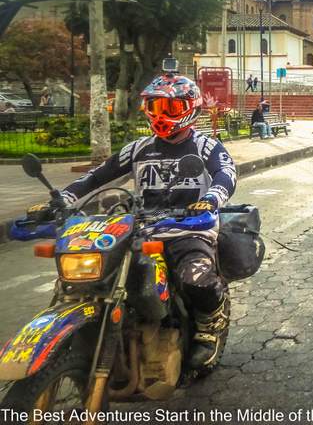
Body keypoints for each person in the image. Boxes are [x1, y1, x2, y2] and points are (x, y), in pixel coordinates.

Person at [37, 73, 237, 373]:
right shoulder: (138, 148)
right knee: (94, 278)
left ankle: (211, 320)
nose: (161, 115)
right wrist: (62, 199)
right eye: (155, 107)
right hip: (139, 230)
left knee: (195, 278)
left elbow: (226, 174)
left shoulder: (205, 146)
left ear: (190, 109)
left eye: (170, 108)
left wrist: (210, 200)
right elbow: (96, 178)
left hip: (190, 229)